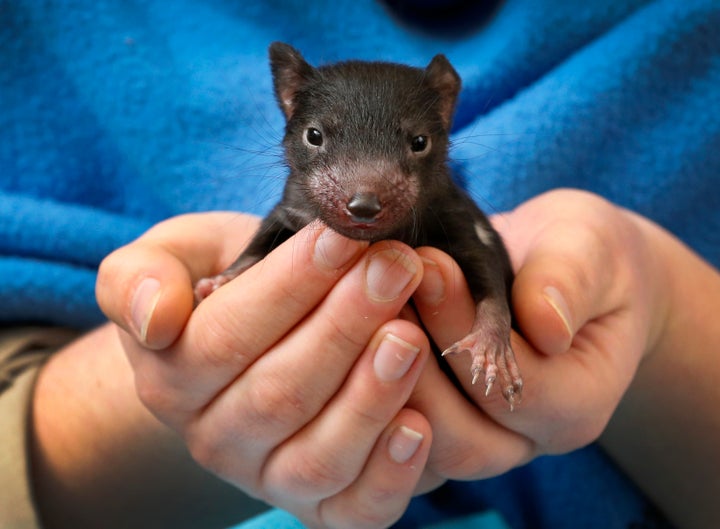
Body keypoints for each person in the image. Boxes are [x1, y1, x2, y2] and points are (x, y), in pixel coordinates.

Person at [1, 1, 718, 528]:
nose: (366, 191)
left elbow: (485, 267)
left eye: (410, 146)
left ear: (443, 120)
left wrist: (649, 311)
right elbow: (269, 237)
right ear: (289, 110)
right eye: (321, 139)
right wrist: (205, 341)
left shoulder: (450, 211)